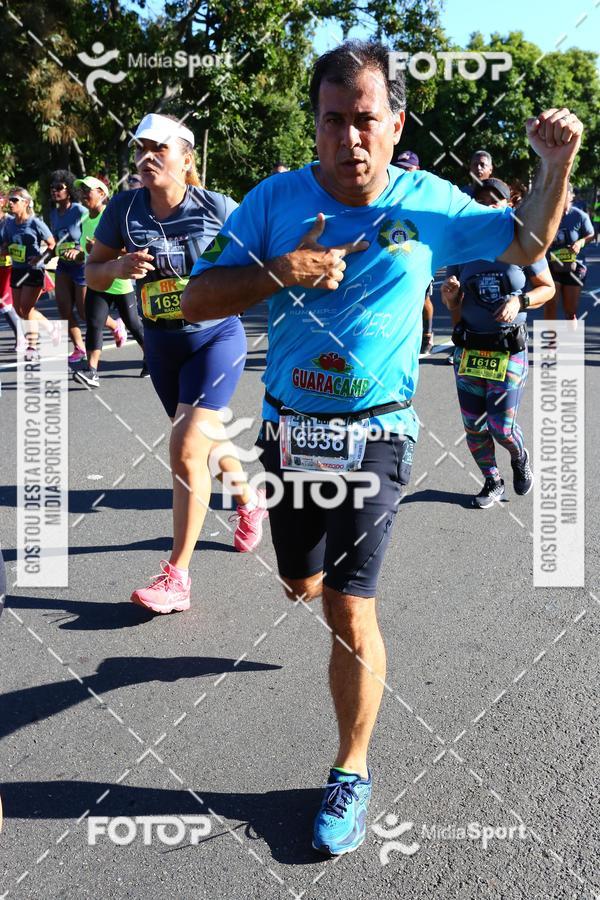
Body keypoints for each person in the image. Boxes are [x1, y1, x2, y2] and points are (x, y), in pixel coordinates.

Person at [181, 39, 583, 856]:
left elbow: (529, 246)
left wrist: (552, 166)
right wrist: (280, 271)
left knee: (347, 607)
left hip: (378, 432)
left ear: (396, 124)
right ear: (317, 125)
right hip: (292, 429)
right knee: (300, 582)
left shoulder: (428, 202)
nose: (350, 139)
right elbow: (195, 299)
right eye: (335, 121)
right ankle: (296, 557)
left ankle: (351, 769)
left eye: (367, 120)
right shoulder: (272, 200)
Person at [85, 112, 268, 612]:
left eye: (158, 149)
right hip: (162, 345)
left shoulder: (217, 207)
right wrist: (118, 267)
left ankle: (177, 576)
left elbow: (262, 259)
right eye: (141, 148)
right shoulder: (123, 210)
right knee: (202, 444)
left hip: (216, 339)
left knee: (188, 445)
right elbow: (94, 274)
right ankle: (250, 501)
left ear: (186, 158)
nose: (146, 157)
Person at [441, 178, 555, 508]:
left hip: (508, 349)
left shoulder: (522, 242)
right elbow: (456, 305)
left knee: (501, 427)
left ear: (508, 203)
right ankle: (492, 479)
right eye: (481, 201)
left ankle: (519, 457)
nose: (488, 206)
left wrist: (520, 301)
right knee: (474, 425)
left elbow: (546, 287)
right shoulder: (463, 245)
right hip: (470, 350)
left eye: (495, 201)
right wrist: (451, 299)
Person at [70, 176, 145, 388]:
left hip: (119, 282)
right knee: (93, 324)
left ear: (102, 194)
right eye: (82, 190)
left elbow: (129, 249)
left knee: (134, 324)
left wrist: (103, 250)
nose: (84, 194)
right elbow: (88, 254)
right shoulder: (85, 220)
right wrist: (75, 254)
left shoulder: (112, 216)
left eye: (89, 190)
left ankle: (152, 359)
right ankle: (91, 370)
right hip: (97, 280)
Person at [1, 187, 56, 359]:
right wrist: (4, 250)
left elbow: (52, 244)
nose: (10, 203)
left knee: (26, 307)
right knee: (19, 310)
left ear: (25, 203)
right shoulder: (9, 223)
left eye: (15, 200)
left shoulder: (34, 223)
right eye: (10, 200)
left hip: (33, 271)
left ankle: (32, 345)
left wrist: (41, 258)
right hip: (17, 270)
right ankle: (51, 328)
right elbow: (7, 244)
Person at [393, 151, 435, 355]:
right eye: (400, 168)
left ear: (417, 170)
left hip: (419, 254)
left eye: (408, 169)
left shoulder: (426, 195)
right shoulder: (389, 191)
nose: (403, 173)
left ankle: (427, 335)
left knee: (422, 299)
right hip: (395, 250)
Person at [544, 183, 594, 321]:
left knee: (570, 311)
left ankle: (570, 340)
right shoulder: (547, 215)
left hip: (574, 266)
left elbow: (590, 234)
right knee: (550, 305)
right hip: (551, 264)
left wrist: (580, 243)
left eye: (563, 194)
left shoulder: (579, 216)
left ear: (571, 196)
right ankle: (550, 342)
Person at [0, 192, 26, 351]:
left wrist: (6, 249)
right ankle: (51, 330)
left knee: (4, 303)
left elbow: (19, 242)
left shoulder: (9, 222)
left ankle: (21, 337)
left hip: (11, 267)